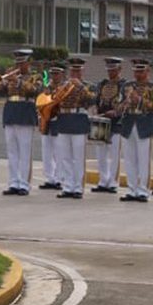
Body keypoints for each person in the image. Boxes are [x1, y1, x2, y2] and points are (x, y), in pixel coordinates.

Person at [0, 49, 42, 196]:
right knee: (12, 151)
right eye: (17, 63)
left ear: (28, 63)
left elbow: (35, 90)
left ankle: (24, 184)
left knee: (24, 151)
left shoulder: (35, 76)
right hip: (11, 113)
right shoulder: (11, 75)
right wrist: (3, 81)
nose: (19, 66)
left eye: (22, 63)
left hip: (25, 113)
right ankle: (13, 182)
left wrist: (18, 81)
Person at [118, 59, 153, 202]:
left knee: (144, 160)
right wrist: (124, 104)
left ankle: (143, 190)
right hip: (128, 123)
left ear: (147, 71)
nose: (138, 74)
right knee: (129, 160)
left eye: (141, 71)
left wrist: (140, 101)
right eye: (136, 71)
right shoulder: (126, 86)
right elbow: (118, 104)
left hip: (145, 123)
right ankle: (132, 189)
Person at [55, 57, 96, 199]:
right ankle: (68, 186)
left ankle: (78, 187)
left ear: (82, 71)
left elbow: (92, 100)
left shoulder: (88, 86)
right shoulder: (62, 85)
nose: (75, 74)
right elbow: (54, 100)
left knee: (78, 157)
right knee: (65, 157)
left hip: (79, 119)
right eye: (73, 71)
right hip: (64, 120)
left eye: (78, 71)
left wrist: (80, 86)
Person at [92, 57, 127, 193]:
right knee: (100, 153)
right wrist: (95, 109)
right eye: (109, 70)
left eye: (113, 70)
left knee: (114, 154)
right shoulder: (102, 84)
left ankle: (113, 182)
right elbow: (96, 100)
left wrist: (116, 111)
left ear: (119, 69)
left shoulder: (124, 85)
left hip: (116, 121)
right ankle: (103, 180)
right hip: (101, 119)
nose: (111, 72)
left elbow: (125, 102)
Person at [38, 63, 66, 191]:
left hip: (58, 119)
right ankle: (50, 178)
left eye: (57, 74)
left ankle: (60, 178)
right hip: (46, 120)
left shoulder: (64, 87)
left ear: (62, 74)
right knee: (46, 151)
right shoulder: (46, 87)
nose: (54, 76)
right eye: (53, 74)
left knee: (59, 151)